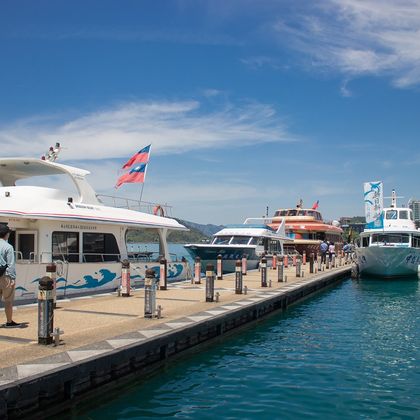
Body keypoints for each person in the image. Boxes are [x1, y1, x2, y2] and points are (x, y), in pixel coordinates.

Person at [0, 224, 21, 327]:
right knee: (8, 300)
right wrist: (12, 278)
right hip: (5, 276)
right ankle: (9, 322)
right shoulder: (8, 247)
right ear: (6, 234)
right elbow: (11, 264)